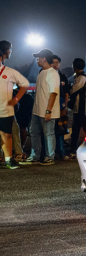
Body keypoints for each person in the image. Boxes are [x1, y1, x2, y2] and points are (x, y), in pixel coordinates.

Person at [24, 48, 59, 166]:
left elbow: (53, 93)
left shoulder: (52, 73)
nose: (37, 60)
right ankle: (35, 156)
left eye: (38, 58)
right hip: (37, 110)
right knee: (34, 133)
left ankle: (50, 157)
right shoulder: (41, 72)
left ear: (44, 59)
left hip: (47, 111)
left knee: (48, 134)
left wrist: (48, 111)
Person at [0, 41, 28, 169]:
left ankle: (9, 158)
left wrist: (15, 99)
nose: (11, 52)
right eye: (10, 49)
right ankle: (14, 155)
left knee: (9, 133)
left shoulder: (8, 71)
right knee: (10, 132)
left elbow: (24, 84)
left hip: (6, 108)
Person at [67, 58, 86, 159]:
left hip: (81, 109)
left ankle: (74, 150)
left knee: (78, 131)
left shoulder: (81, 78)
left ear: (74, 66)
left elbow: (72, 91)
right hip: (81, 109)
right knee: (83, 130)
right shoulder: (83, 77)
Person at [51, 55, 70, 160]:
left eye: (57, 62)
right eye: (53, 62)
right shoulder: (45, 75)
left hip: (60, 107)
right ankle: (51, 153)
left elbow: (66, 94)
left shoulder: (63, 77)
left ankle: (62, 153)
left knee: (60, 130)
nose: (55, 64)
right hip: (49, 108)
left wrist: (65, 107)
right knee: (50, 131)